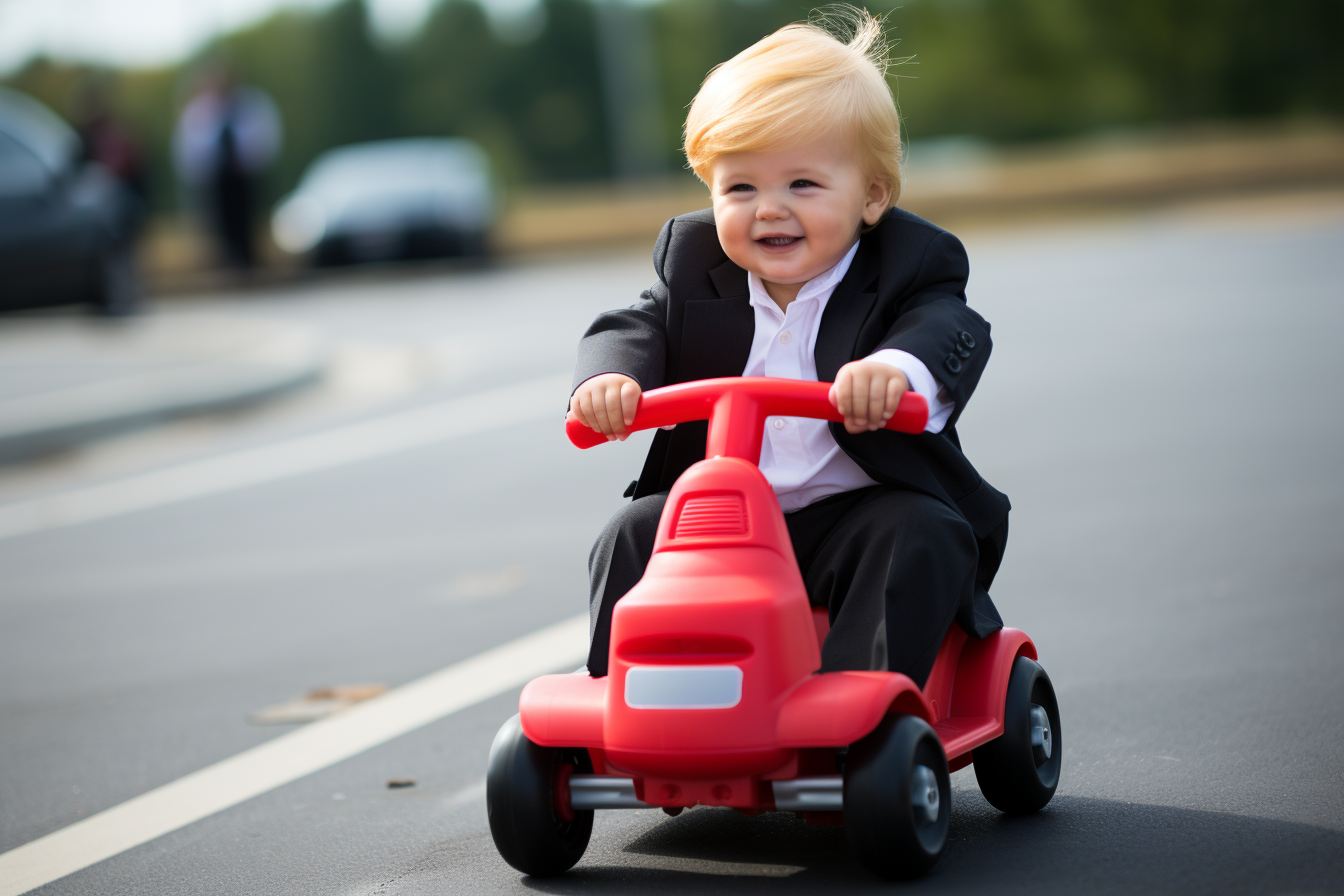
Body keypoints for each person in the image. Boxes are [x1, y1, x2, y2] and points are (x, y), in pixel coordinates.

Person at [569, 7, 1010, 687]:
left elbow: (949, 326)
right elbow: (634, 324)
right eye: (740, 187)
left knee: (918, 533)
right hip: (725, 524)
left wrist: (895, 371)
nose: (768, 207)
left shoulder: (909, 262)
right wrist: (610, 380)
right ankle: (624, 692)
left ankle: (865, 704)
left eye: (802, 183)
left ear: (871, 195)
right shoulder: (692, 264)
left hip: (860, 511)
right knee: (632, 531)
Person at [172, 66, 282, 269]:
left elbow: (266, 139)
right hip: (213, 181)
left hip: (246, 177)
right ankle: (227, 264)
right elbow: (190, 150)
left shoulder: (252, 104)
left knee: (248, 223)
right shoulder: (199, 112)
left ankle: (250, 263)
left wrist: (249, 161)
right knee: (219, 227)